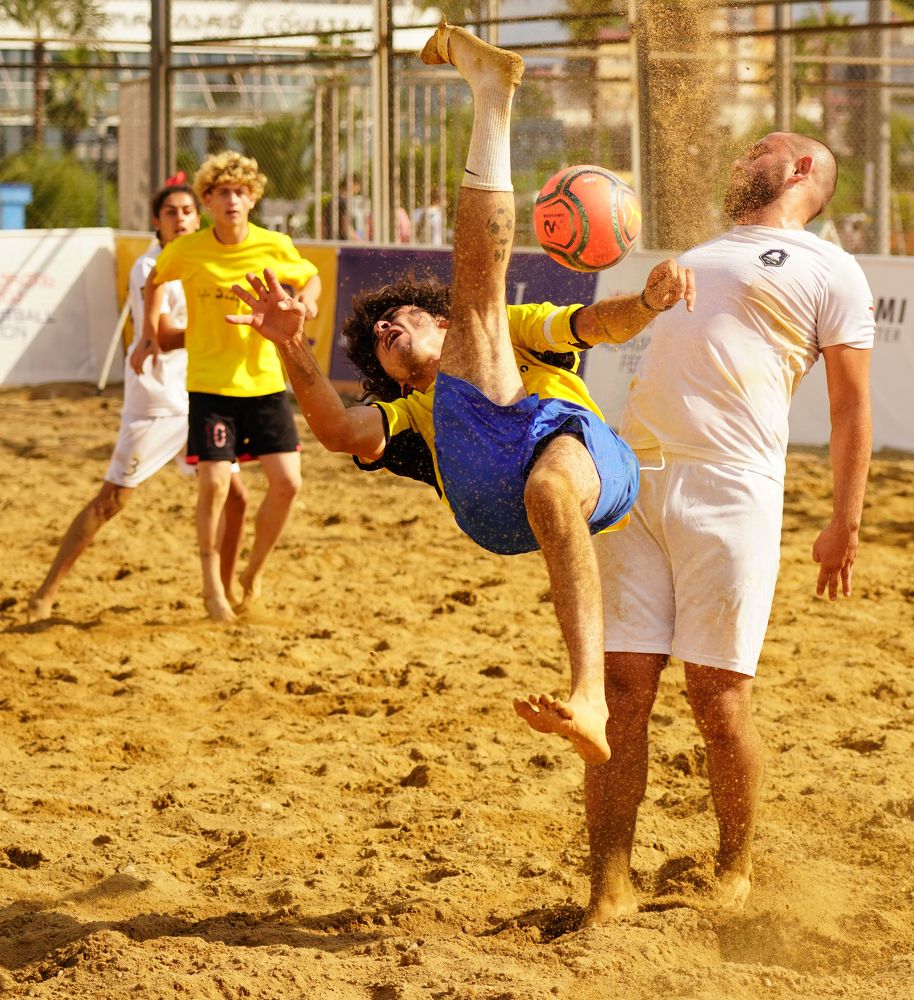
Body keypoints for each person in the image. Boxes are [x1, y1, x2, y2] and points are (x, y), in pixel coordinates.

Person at [226, 24, 694, 764]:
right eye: (378, 335)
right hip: (488, 505)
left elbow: (598, 323)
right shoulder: (413, 411)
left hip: (586, 466)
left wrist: (650, 302)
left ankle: (588, 698)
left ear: (437, 317)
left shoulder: (500, 324)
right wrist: (289, 348)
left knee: (547, 472)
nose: (387, 325)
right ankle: (491, 95)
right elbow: (336, 431)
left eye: (401, 314)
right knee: (507, 432)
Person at [586, 132, 874, 921]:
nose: (740, 155)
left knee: (717, 698)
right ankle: (609, 883)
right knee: (621, 693)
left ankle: (734, 868)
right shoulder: (705, 249)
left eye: (760, 150)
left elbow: (851, 408)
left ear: (803, 169)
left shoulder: (831, 268)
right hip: (636, 475)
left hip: (733, 485)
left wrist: (843, 520)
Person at [27, 181, 247, 623]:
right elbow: (161, 337)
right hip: (156, 399)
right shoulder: (150, 266)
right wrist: (220, 331)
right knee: (112, 501)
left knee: (237, 498)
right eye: (171, 212)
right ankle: (43, 595)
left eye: (187, 210)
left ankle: (224, 591)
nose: (181, 218)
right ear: (157, 221)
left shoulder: (208, 259)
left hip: (202, 392)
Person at [131, 151, 322, 622]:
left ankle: (252, 575)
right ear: (209, 201)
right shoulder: (189, 249)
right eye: (222, 193)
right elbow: (153, 281)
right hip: (211, 387)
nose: (233, 199)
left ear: (252, 199)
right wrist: (149, 334)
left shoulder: (274, 245)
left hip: (265, 383)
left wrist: (306, 308)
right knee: (214, 483)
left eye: (241, 191)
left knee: (288, 484)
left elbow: (311, 278)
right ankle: (212, 586)